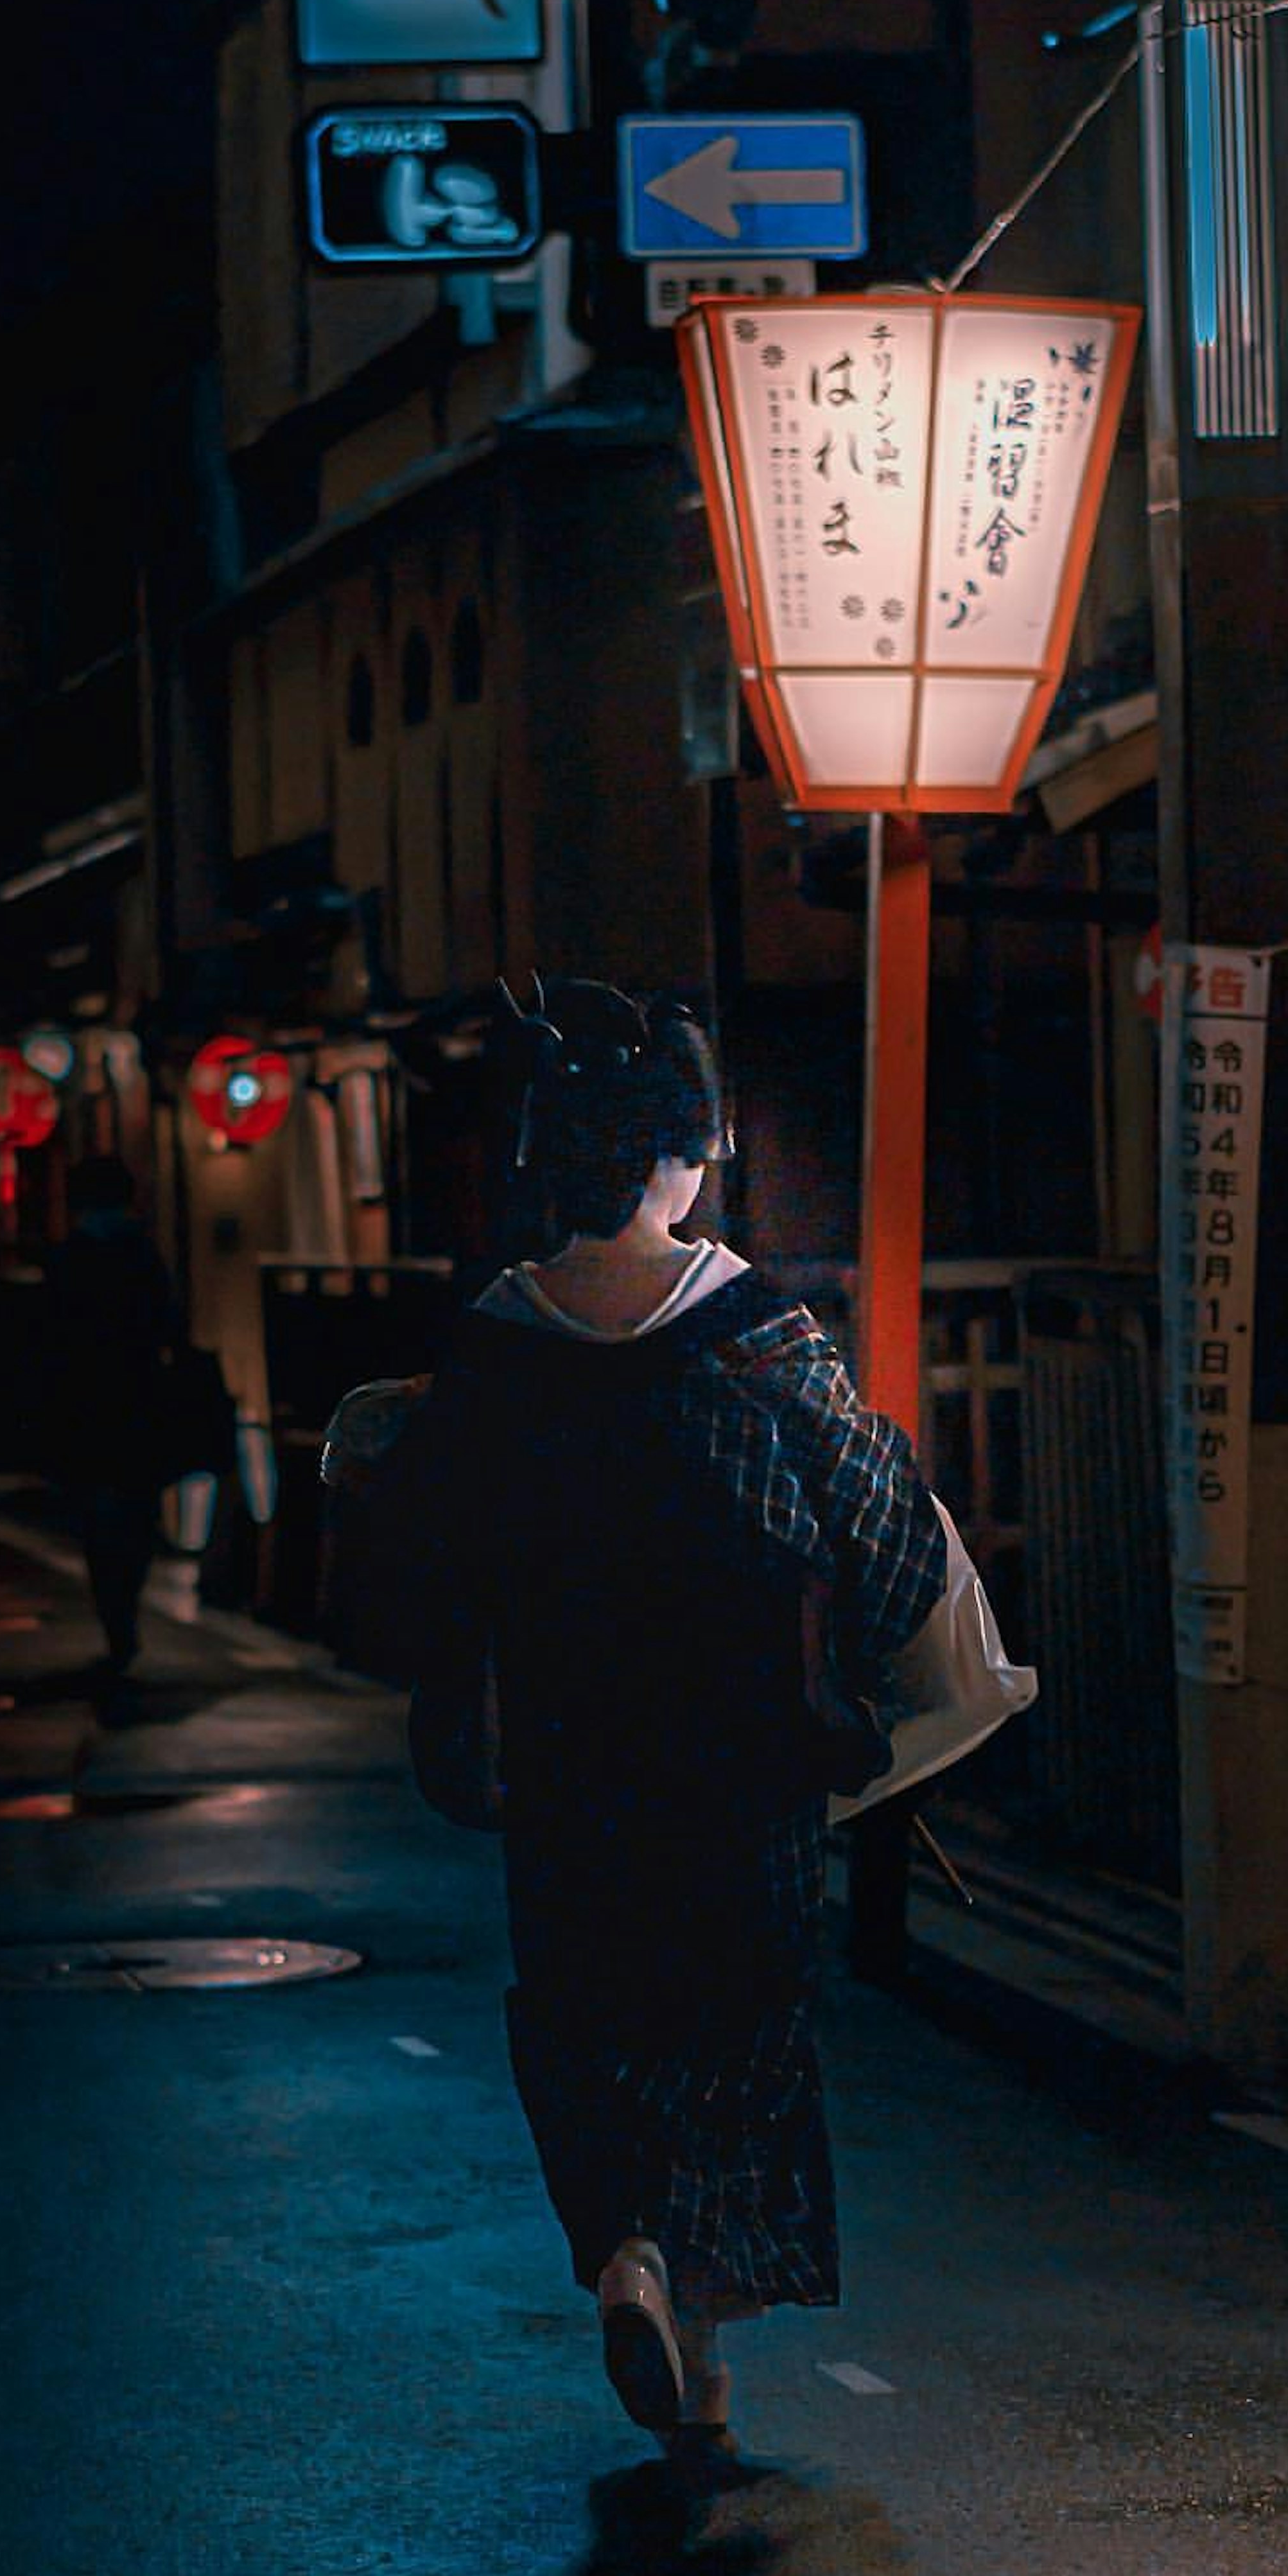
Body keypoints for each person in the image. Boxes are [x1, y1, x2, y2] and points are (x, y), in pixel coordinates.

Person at [376, 981, 946, 2457]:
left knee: (584, 2014)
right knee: (740, 2029)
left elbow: (422, 1566)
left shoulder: (494, 1347)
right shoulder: (761, 1338)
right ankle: (699, 2336)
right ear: (677, 1158)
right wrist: (892, 1677)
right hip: (740, 1762)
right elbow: (880, 1530)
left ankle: (628, 2246)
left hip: (565, 1759)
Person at [44, 1154, 178, 1676]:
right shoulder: (140, 1254)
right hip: (137, 1401)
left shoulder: (71, 1257)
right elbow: (166, 1322)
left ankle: (117, 1617)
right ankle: (125, 1612)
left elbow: (50, 1339)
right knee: (137, 1512)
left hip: (86, 1407)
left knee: (101, 1522)